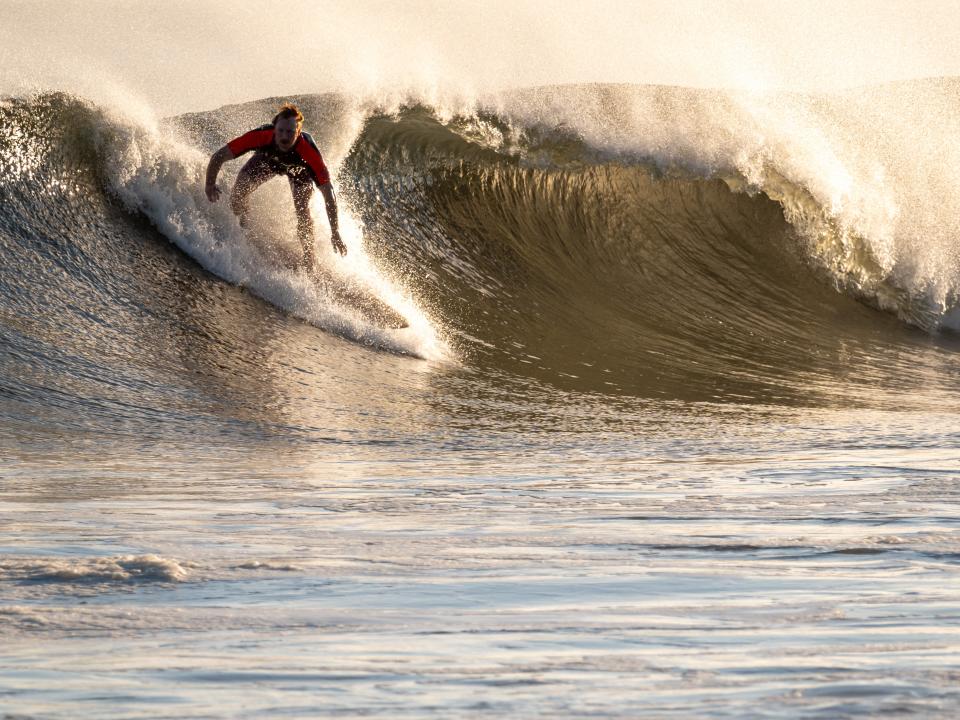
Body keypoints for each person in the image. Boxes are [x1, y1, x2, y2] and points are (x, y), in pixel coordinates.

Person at [205, 103, 346, 270]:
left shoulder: (308, 151)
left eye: (290, 132)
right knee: (238, 193)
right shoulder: (262, 135)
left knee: (302, 209)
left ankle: (309, 258)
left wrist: (335, 231)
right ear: (274, 128)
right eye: (280, 131)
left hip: (300, 171)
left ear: (298, 132)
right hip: (269, 162)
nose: (284, 137)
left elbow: (328, 192)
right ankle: (245, 222)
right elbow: (219, 155)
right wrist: (209, 183)